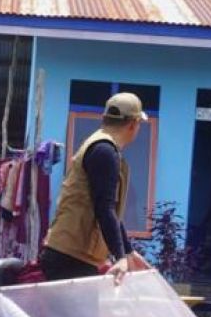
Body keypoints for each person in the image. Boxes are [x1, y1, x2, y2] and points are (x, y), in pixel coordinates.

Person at [40, 93, 150, 282]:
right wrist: (120, 257)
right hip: (70, 257)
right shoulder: (104, 151)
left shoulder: (101, 145)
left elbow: (110, 210)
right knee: (75, 313)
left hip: (73, 254)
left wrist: (128, 252)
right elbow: (104, 208)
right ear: (133, 124)